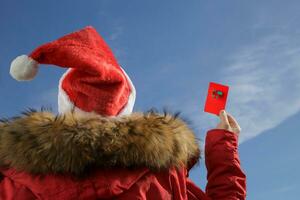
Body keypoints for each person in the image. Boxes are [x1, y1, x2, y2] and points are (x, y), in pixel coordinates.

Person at [0, 26, 246, 199]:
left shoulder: (13, 181)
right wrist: (223, 148)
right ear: (125, 110)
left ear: (66, 106)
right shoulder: (165, 176)